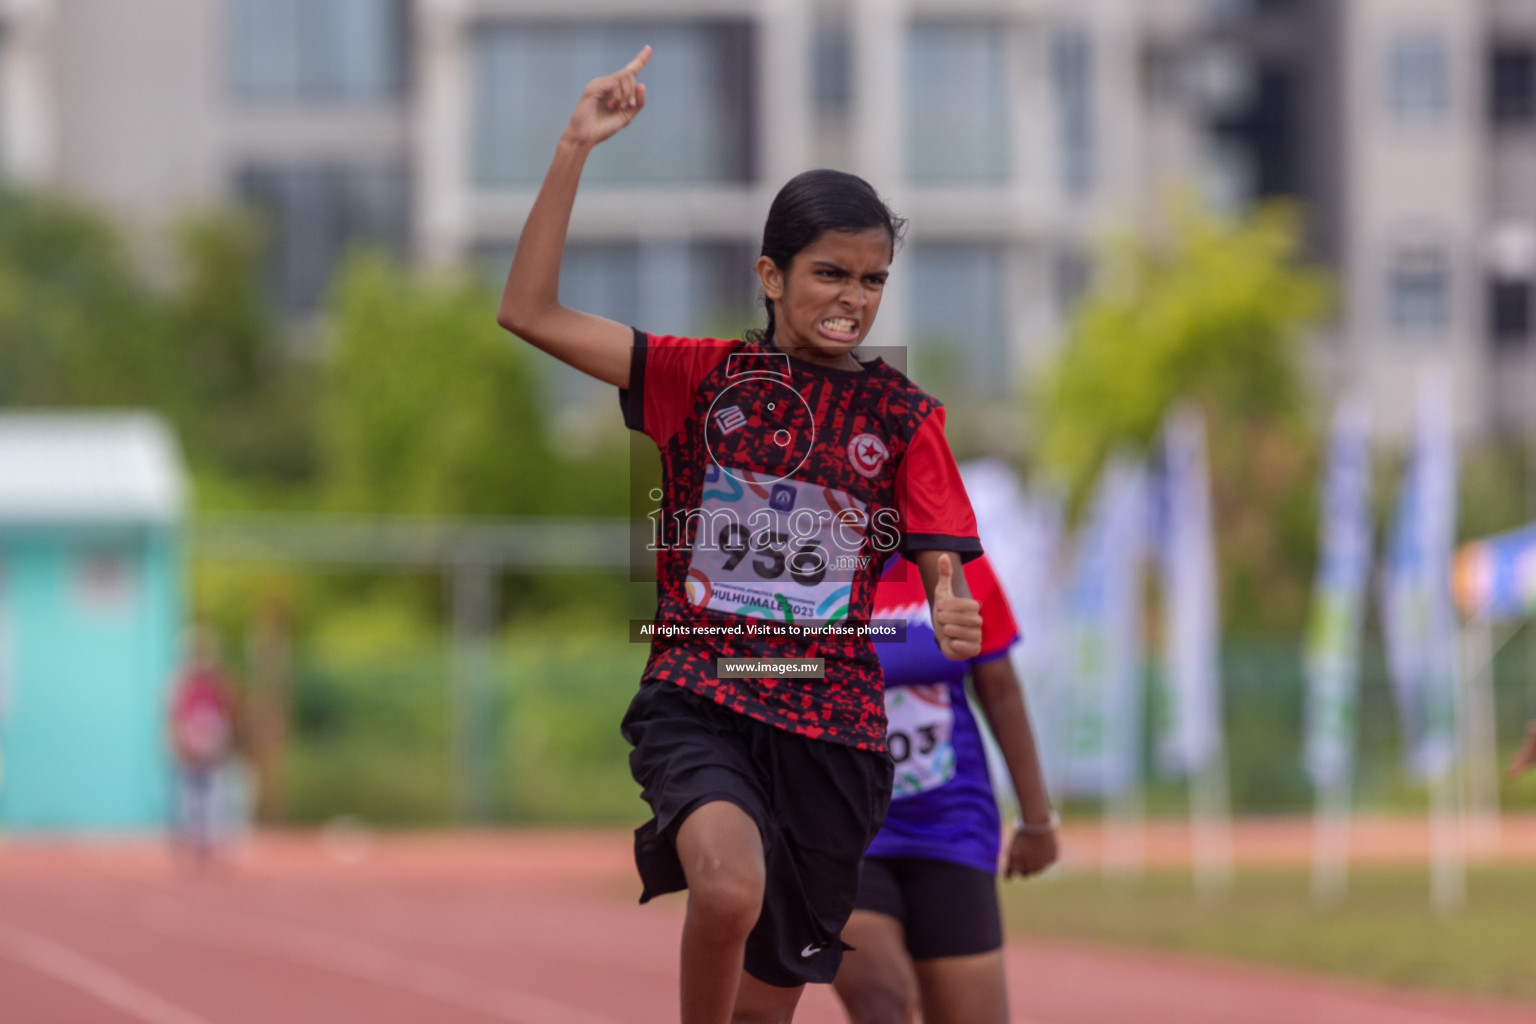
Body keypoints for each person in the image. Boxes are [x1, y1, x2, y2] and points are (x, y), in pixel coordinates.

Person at [497, 47, 986, 1024]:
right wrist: (571, 148)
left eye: (873, 279)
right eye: (829, 273)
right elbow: (528, 311)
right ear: (770, 272)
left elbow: (941, 543)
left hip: (834, 729)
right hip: (703, 697)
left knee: (767, 1004)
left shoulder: (902, 413)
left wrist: (946, 592)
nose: (853, 297)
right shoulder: (697, 375)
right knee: (724, 886)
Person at [833, 553, 1057, 1024]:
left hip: (952, 824)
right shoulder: (795, 563)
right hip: (841, 829)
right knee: (882, 999)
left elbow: (999, 688)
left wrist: (1037, 820)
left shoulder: (953, 561)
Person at [169, 627, 236, 865]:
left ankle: (210, 839)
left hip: (211, 745)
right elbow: (175, 717)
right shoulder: (181, 684)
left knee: (215, 795)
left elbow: (225, 716)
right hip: (190, 744)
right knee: (188, 796)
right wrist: (181, 744)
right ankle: (188, 838)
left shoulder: (218, 683)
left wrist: (220, 744)